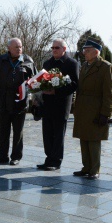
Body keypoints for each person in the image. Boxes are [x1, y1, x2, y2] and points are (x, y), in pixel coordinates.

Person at [0, 38, 37, 165]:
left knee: (18, 131)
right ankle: (2, 155)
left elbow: (36, 80)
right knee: (3, 130)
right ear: (9, 48)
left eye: (20, 47)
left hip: (20, 101)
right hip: (3, 100)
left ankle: (16, 156)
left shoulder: (28, 61)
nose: (19, 49)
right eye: (16, 47)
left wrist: (34, 93)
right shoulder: (1, 60)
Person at [72, 39, 112, 180]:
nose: (84, 52)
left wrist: (106, 113)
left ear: (96, 52)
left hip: (96, 109)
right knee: (83, 139)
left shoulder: (105, 67)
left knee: (94, 140)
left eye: (88, 50)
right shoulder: (85, 65)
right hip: (83, 108)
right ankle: (86, 167)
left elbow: (110, 93)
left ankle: (94, 169)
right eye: (84, 50)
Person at [37, 39, 79, 171]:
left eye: (57, 48)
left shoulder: (72, 64)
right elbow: (41, 81)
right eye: (52, 48)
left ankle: (56, 161)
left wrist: (56, 91)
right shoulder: (47, 63)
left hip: (61, 104)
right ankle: (48, 158)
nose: (54, 50)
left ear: (64, 49)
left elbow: (74, 84)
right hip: (47, 104)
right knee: (47, 134)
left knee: (58, 134)